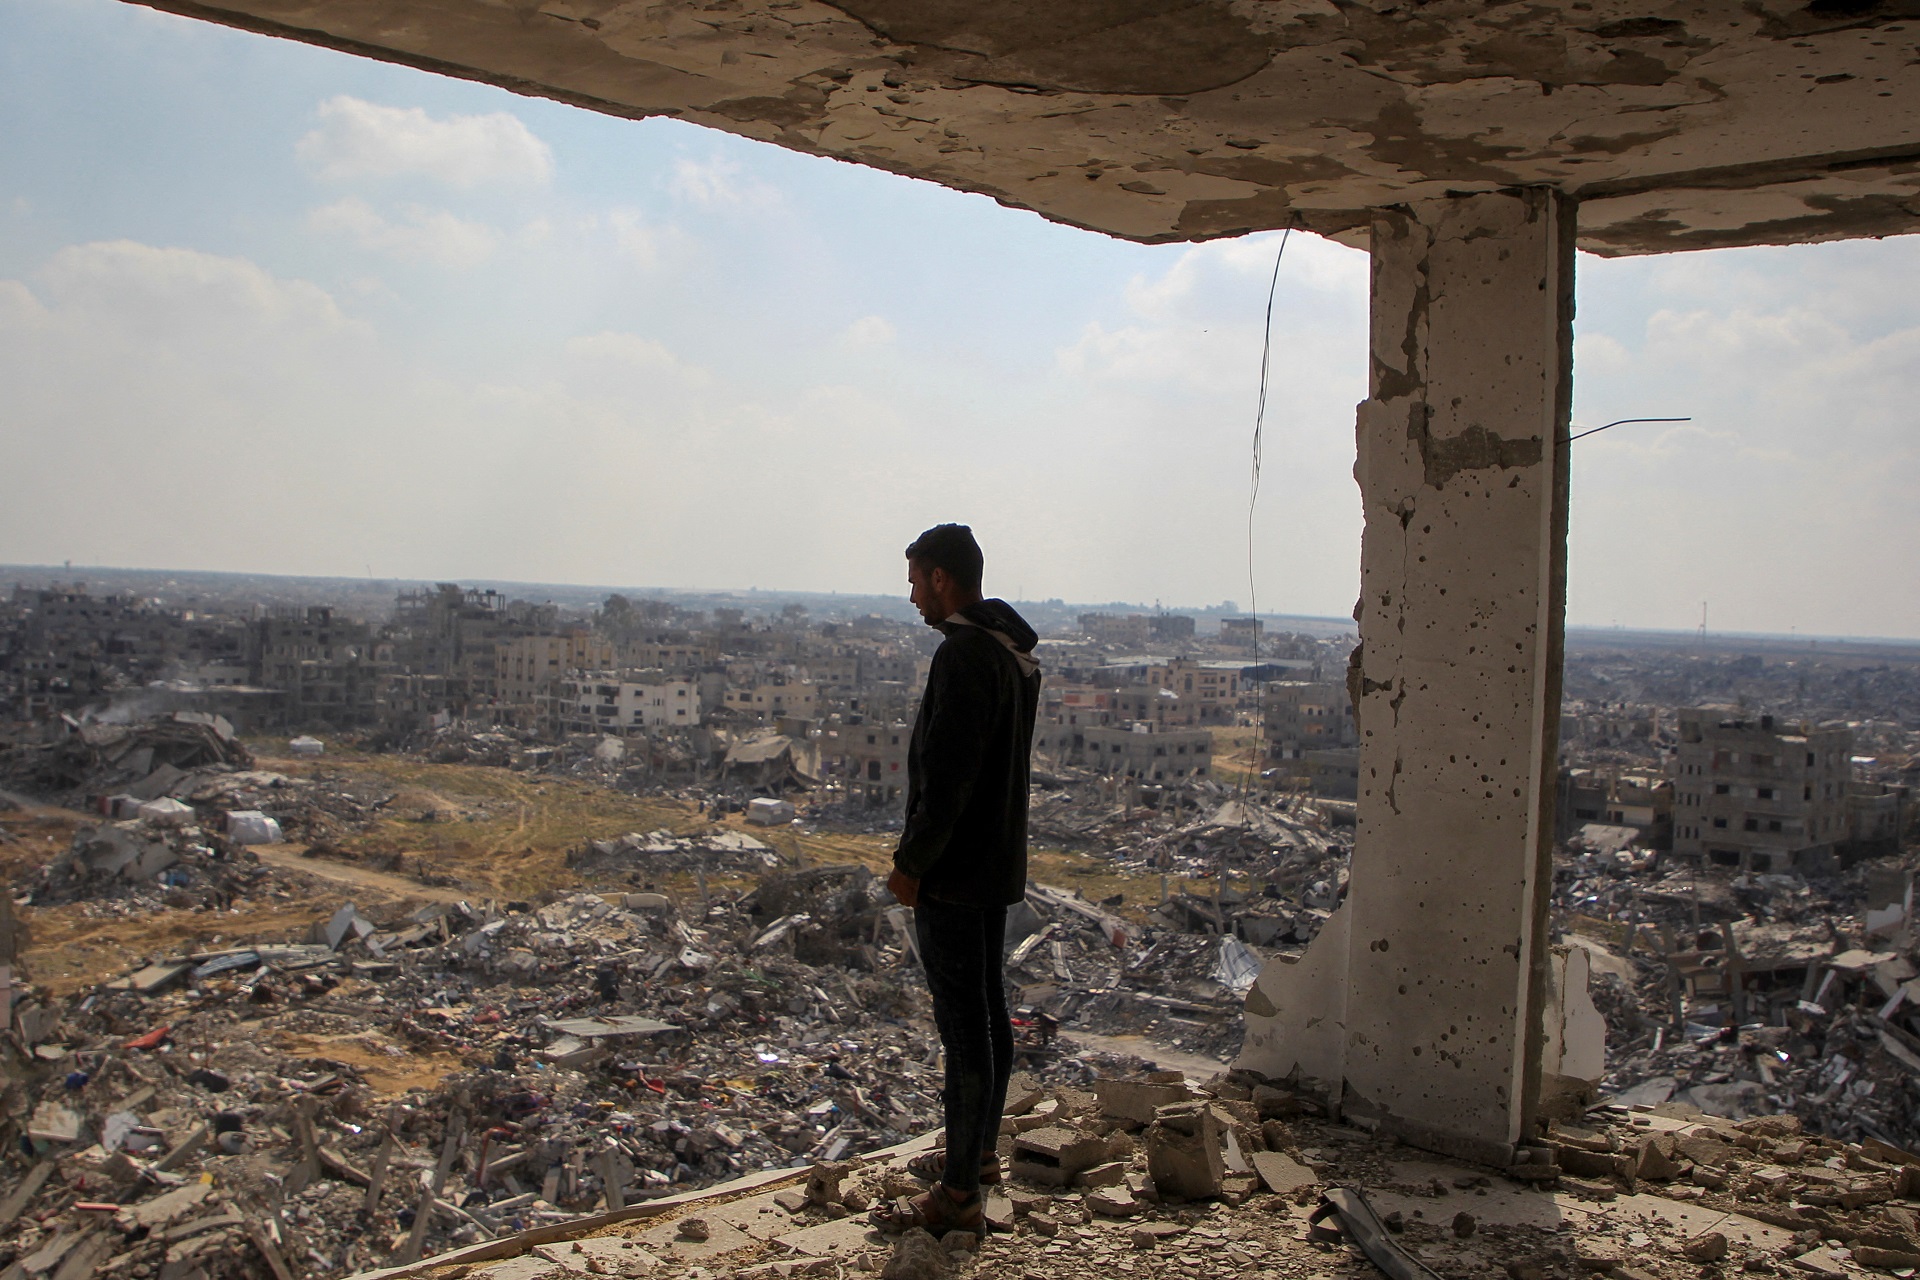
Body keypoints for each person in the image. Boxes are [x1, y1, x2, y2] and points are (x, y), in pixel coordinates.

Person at [871, 523, 1040, 1237]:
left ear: (942, 579)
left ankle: (957, 1194)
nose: (912, 598)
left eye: (916, 582)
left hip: (954, 873)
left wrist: (912, 865)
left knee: (964, 1029)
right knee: (989, 1017)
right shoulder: (1010, 655)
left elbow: (947, 781)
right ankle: (978, 1158)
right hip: (995, 866)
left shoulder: (964, 658)